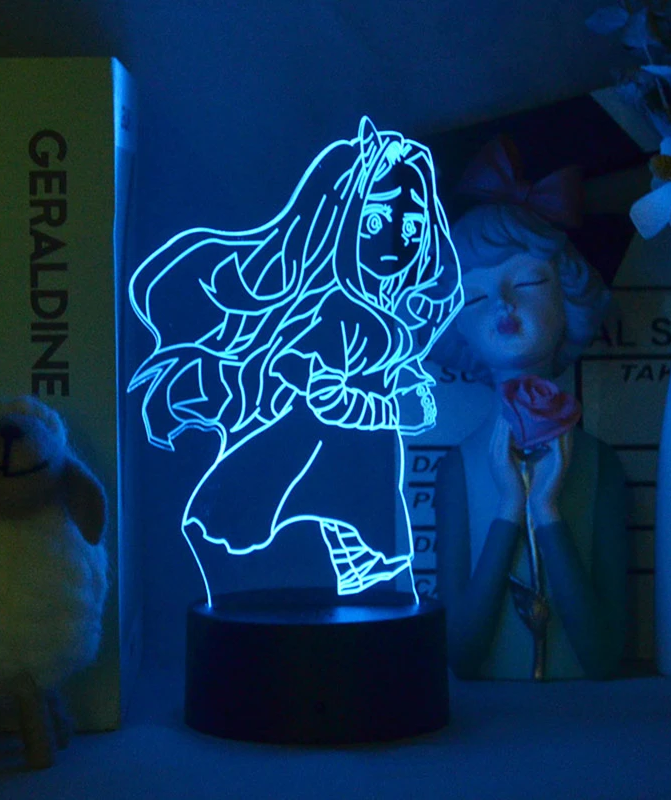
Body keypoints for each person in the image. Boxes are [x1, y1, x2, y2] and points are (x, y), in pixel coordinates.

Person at [128, 118, 463, 604]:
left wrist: (406, 395)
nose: (397, 239)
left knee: (364, 576)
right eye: (374, 222)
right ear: (340, 219)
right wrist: (394, 410)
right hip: (308, 467)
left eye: (412, 226)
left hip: (342, 476)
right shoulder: (341, 316)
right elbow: (326, 399)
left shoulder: (385, 315)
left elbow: (389, 385)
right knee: (330, 572)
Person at [430, 201, 629, 680]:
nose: (503, 303)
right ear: (455, 324)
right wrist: (509, 508)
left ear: (569, 297)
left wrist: (546, 509)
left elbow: (604, 657)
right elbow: (461, 653)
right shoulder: (458, 469)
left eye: (527, 282)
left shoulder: (600, 465)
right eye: (474, 298)